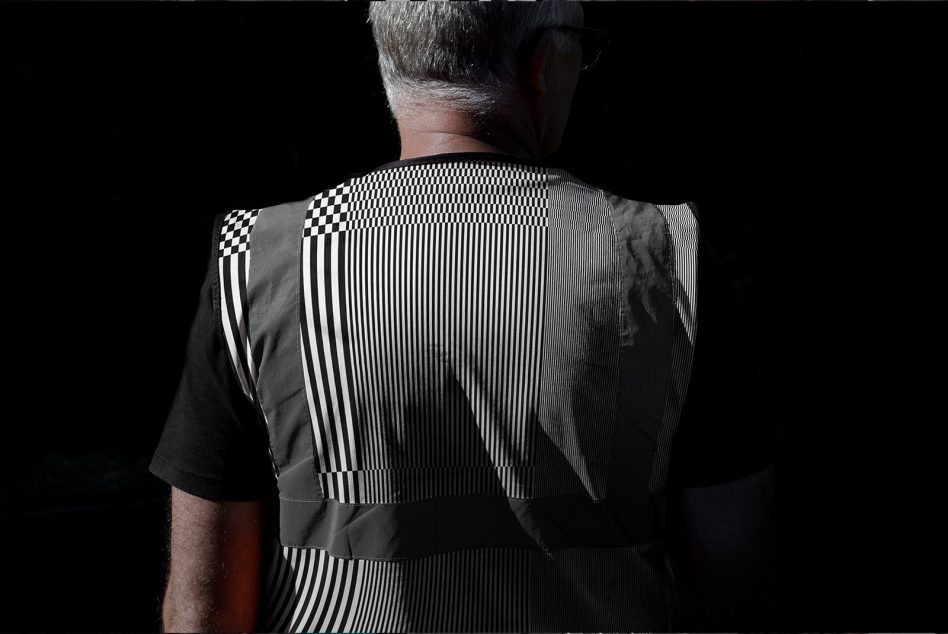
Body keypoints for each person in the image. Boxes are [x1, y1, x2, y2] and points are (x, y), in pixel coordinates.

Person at [149, 1, 781, 631]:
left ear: (389, 64)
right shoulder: (665, 256)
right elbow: (735, 590)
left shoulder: (258, 260)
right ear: (543, 61)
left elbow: (205, 609)